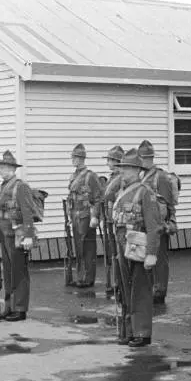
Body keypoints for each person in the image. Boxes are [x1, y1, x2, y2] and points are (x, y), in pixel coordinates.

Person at [112, 148, 161, 347]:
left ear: (137, 170)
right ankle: (129, 330)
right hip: (123, 244)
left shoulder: (145, 192)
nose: (122, 172)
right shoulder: (122, 191)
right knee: (126, 288)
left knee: (140, 289)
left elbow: (153, 226)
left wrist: (151, 254)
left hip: (139, 245)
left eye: (126, 168)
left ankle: (142, 332)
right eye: (121, 168)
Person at [0, 150, 35, 322]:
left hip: (17, 232)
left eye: (2, 167)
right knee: (8, 271)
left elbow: (27, 212)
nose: (0, 170)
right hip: (4, 230)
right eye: (0, 167)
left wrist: (29, 235)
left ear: (11, 168)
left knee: (19, 271)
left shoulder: (20, 186)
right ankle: (9, 306)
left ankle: (20, 308)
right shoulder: (3, 187)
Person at [138, 140, 176, 305]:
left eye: (144, 158)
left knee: (159, 259)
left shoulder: (161, 177)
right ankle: (150, 288)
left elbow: (169, 203)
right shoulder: (141, 176)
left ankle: (159, 291)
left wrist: (170, 222)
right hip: (144, 223)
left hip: (159, 223)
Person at [66, 143, 103, 288]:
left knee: (88, 248)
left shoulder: (90, 176)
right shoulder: (73, 176)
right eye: (73, 157)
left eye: (76, 157)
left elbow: (98, 197)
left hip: (86, 215)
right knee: (78, 248)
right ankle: (80, 276)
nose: (73, 160)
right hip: (75, 215)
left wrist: (95, 216)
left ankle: (88, 278)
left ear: (82, 158)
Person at [101, 145, 124, 296]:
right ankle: (114, 281)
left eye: (109, 160)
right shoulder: (112, 178)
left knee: (117, 252)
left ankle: (118, 281)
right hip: (109, 218)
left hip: (116, 219)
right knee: (111, 252)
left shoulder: (120, 179)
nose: (107, 163)